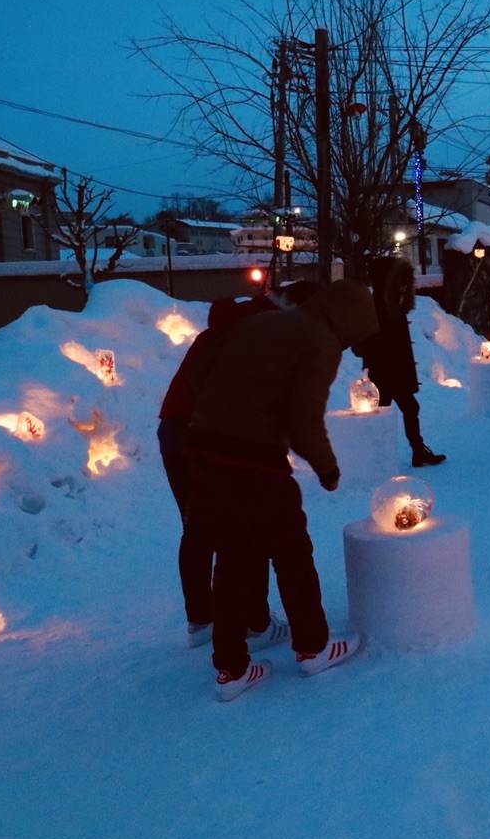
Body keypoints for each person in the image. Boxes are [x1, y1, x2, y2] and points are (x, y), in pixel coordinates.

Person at [184, 278, 379, 699]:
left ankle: (231, 670)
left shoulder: (261, 323)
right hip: (254, 461)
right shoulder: (320, 340)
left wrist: (226, 412)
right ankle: (313, 648)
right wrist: (328, 470)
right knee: (292, 553)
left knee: (232, 557)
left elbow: (199, 370)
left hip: (202, 450)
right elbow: (303, 420)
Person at [158, 293, 274, 649]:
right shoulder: (251, 344)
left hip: (173, 434)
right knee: (244, 528)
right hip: (208, 438)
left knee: (196, 529)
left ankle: (201, 621)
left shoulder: (212, 337)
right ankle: (257, 623)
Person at [356, 254, 446, 467]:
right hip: (385, 370)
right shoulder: (380, 304)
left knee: (401, 409)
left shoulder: (390, 303)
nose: (405, 287)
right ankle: (378, 456)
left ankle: (407, 452)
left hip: (392, 369)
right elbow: (367, 340)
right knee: (385, 412)